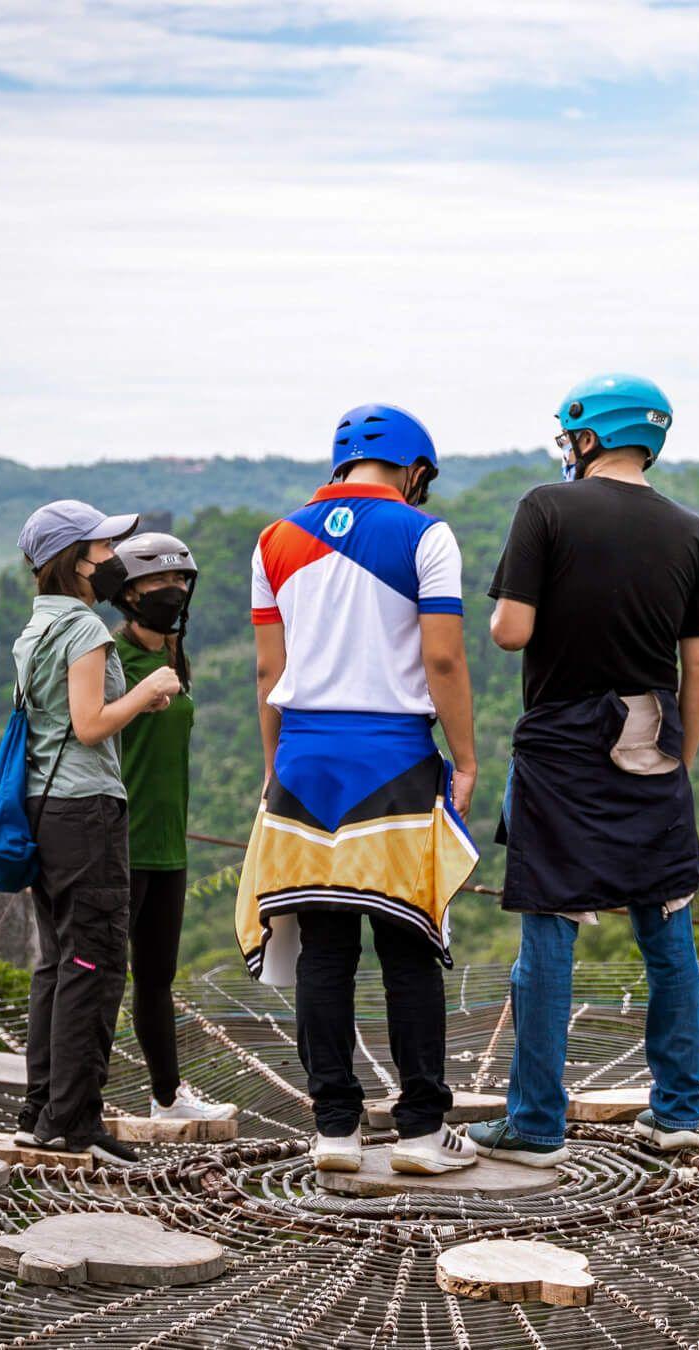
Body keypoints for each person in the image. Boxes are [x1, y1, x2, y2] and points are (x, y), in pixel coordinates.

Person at [467, 373, 699, 1168]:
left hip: (561, 737)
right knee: (666, 924)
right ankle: (677, 1111)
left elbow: (511, 632)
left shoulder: (545, 507)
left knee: (550, 923)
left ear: (587, 436)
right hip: (651, 730)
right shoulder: (690, 529)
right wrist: (684, 757)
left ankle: (536, 1123)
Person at [235, 403, 483, 1177]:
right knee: (410, 948)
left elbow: (269, 674)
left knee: (324, 952)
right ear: (414, 471)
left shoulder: (274, 541)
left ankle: (335, 1130)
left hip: (305, 761)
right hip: (395, 761)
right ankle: (418, 1133)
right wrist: (467, 759)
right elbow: (442, 662)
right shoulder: (425, 535)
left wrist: (276, 767)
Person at [12, 500, 183, 1167]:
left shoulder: (38, 625)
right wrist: (149, 690)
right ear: (74, 559)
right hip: (86, 810)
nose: (113, 558)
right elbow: (89, 724)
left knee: (58, 962)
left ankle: (41, 1111)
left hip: (44, 807)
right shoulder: (82, 626)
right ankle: (77, 1121)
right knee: (96, 961)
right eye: (102, 547)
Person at [106, 531, 237, 1125]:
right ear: (129, 594)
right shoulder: (108, 660)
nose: (174, 592)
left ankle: (166, 1096)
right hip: (115, 841)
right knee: (99, 976)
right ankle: (76, 1094)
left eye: (181, 581)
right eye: (159, 583)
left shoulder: (173, 656)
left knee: (155, 977)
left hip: (167, 844)